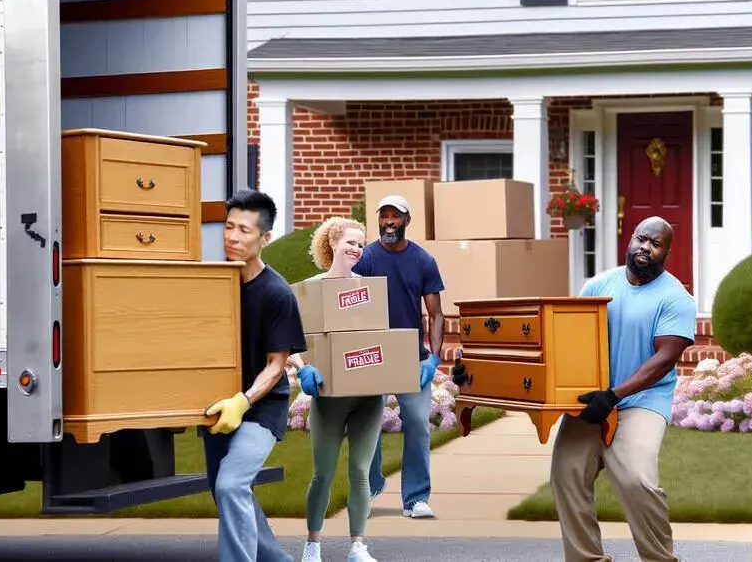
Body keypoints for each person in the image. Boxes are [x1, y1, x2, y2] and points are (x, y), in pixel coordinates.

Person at [456, 216, 696, 562]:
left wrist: (613, 395)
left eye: (655, 244)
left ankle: (660, 559)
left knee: (636, 478)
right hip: (588, 399)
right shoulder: (598, 286)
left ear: (667, 252)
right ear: (630, 239)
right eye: (641, 239)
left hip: (641, 401)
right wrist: (475, 368)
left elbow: (664, 359)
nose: (645, 248)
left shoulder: (676, 298)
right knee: (566, 473)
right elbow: (558, 341)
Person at [201, 189, 306, 562]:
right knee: (226, 491)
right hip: (217, 403)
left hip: (260, 406)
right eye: (228, 226)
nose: (232, 237)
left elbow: (277, 365)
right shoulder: (213, 282)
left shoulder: (277, 294)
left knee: (231, 485)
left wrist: (242, 401)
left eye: (244, 230)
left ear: (265, 238)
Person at [290, 216, 382, 562]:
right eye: (350, 243)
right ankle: (313, 544)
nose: (356, 249)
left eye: (361, 244)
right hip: (327, 395)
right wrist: (303, 368)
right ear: (332, 243)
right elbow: (289, 340)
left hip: (367, 396)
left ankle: (358, 545)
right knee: (323, 472)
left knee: (360, 471)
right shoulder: (309, 289)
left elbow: (381, 336)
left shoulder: (368, 290)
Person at [351, 194, 445, 519]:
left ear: (407, 220)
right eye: (384, 216)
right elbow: (346, 303)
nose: (389, 221)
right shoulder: (365, 259)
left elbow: (436, 314)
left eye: (395, 216)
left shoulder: (423, 260)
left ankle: (416, 498)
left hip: (411, 357)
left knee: (418, 424)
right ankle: (369, 488)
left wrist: (433, 358)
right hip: (373, 355)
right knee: (368, 425)